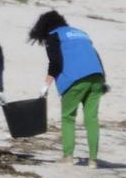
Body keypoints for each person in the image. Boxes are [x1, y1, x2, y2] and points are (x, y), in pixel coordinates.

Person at [27, 10, 107, 167]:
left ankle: (68, 156)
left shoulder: (54, 36)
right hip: (97, 75)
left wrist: (45, 86)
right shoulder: (81, 33)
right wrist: (103, 81)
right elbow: (95, 55)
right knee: (91, 118)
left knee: (68, 117)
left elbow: (55, 63)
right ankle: (93, 160)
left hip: (75, 79)